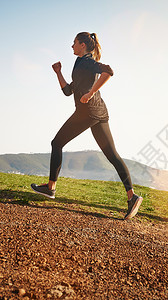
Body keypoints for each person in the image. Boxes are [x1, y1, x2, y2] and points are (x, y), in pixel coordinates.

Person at [31, 32, 142, 220]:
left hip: (87, 111)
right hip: (99, 113)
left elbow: (108, 71)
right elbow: (68, 91)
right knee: (112, 155)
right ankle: (132, 197)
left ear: (82, 45)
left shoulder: (88, 62)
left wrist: (90, 93)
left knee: (56, 143)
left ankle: (50, 188)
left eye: (74, 43)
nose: (71, 46)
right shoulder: (80, 63)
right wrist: (58, 73)